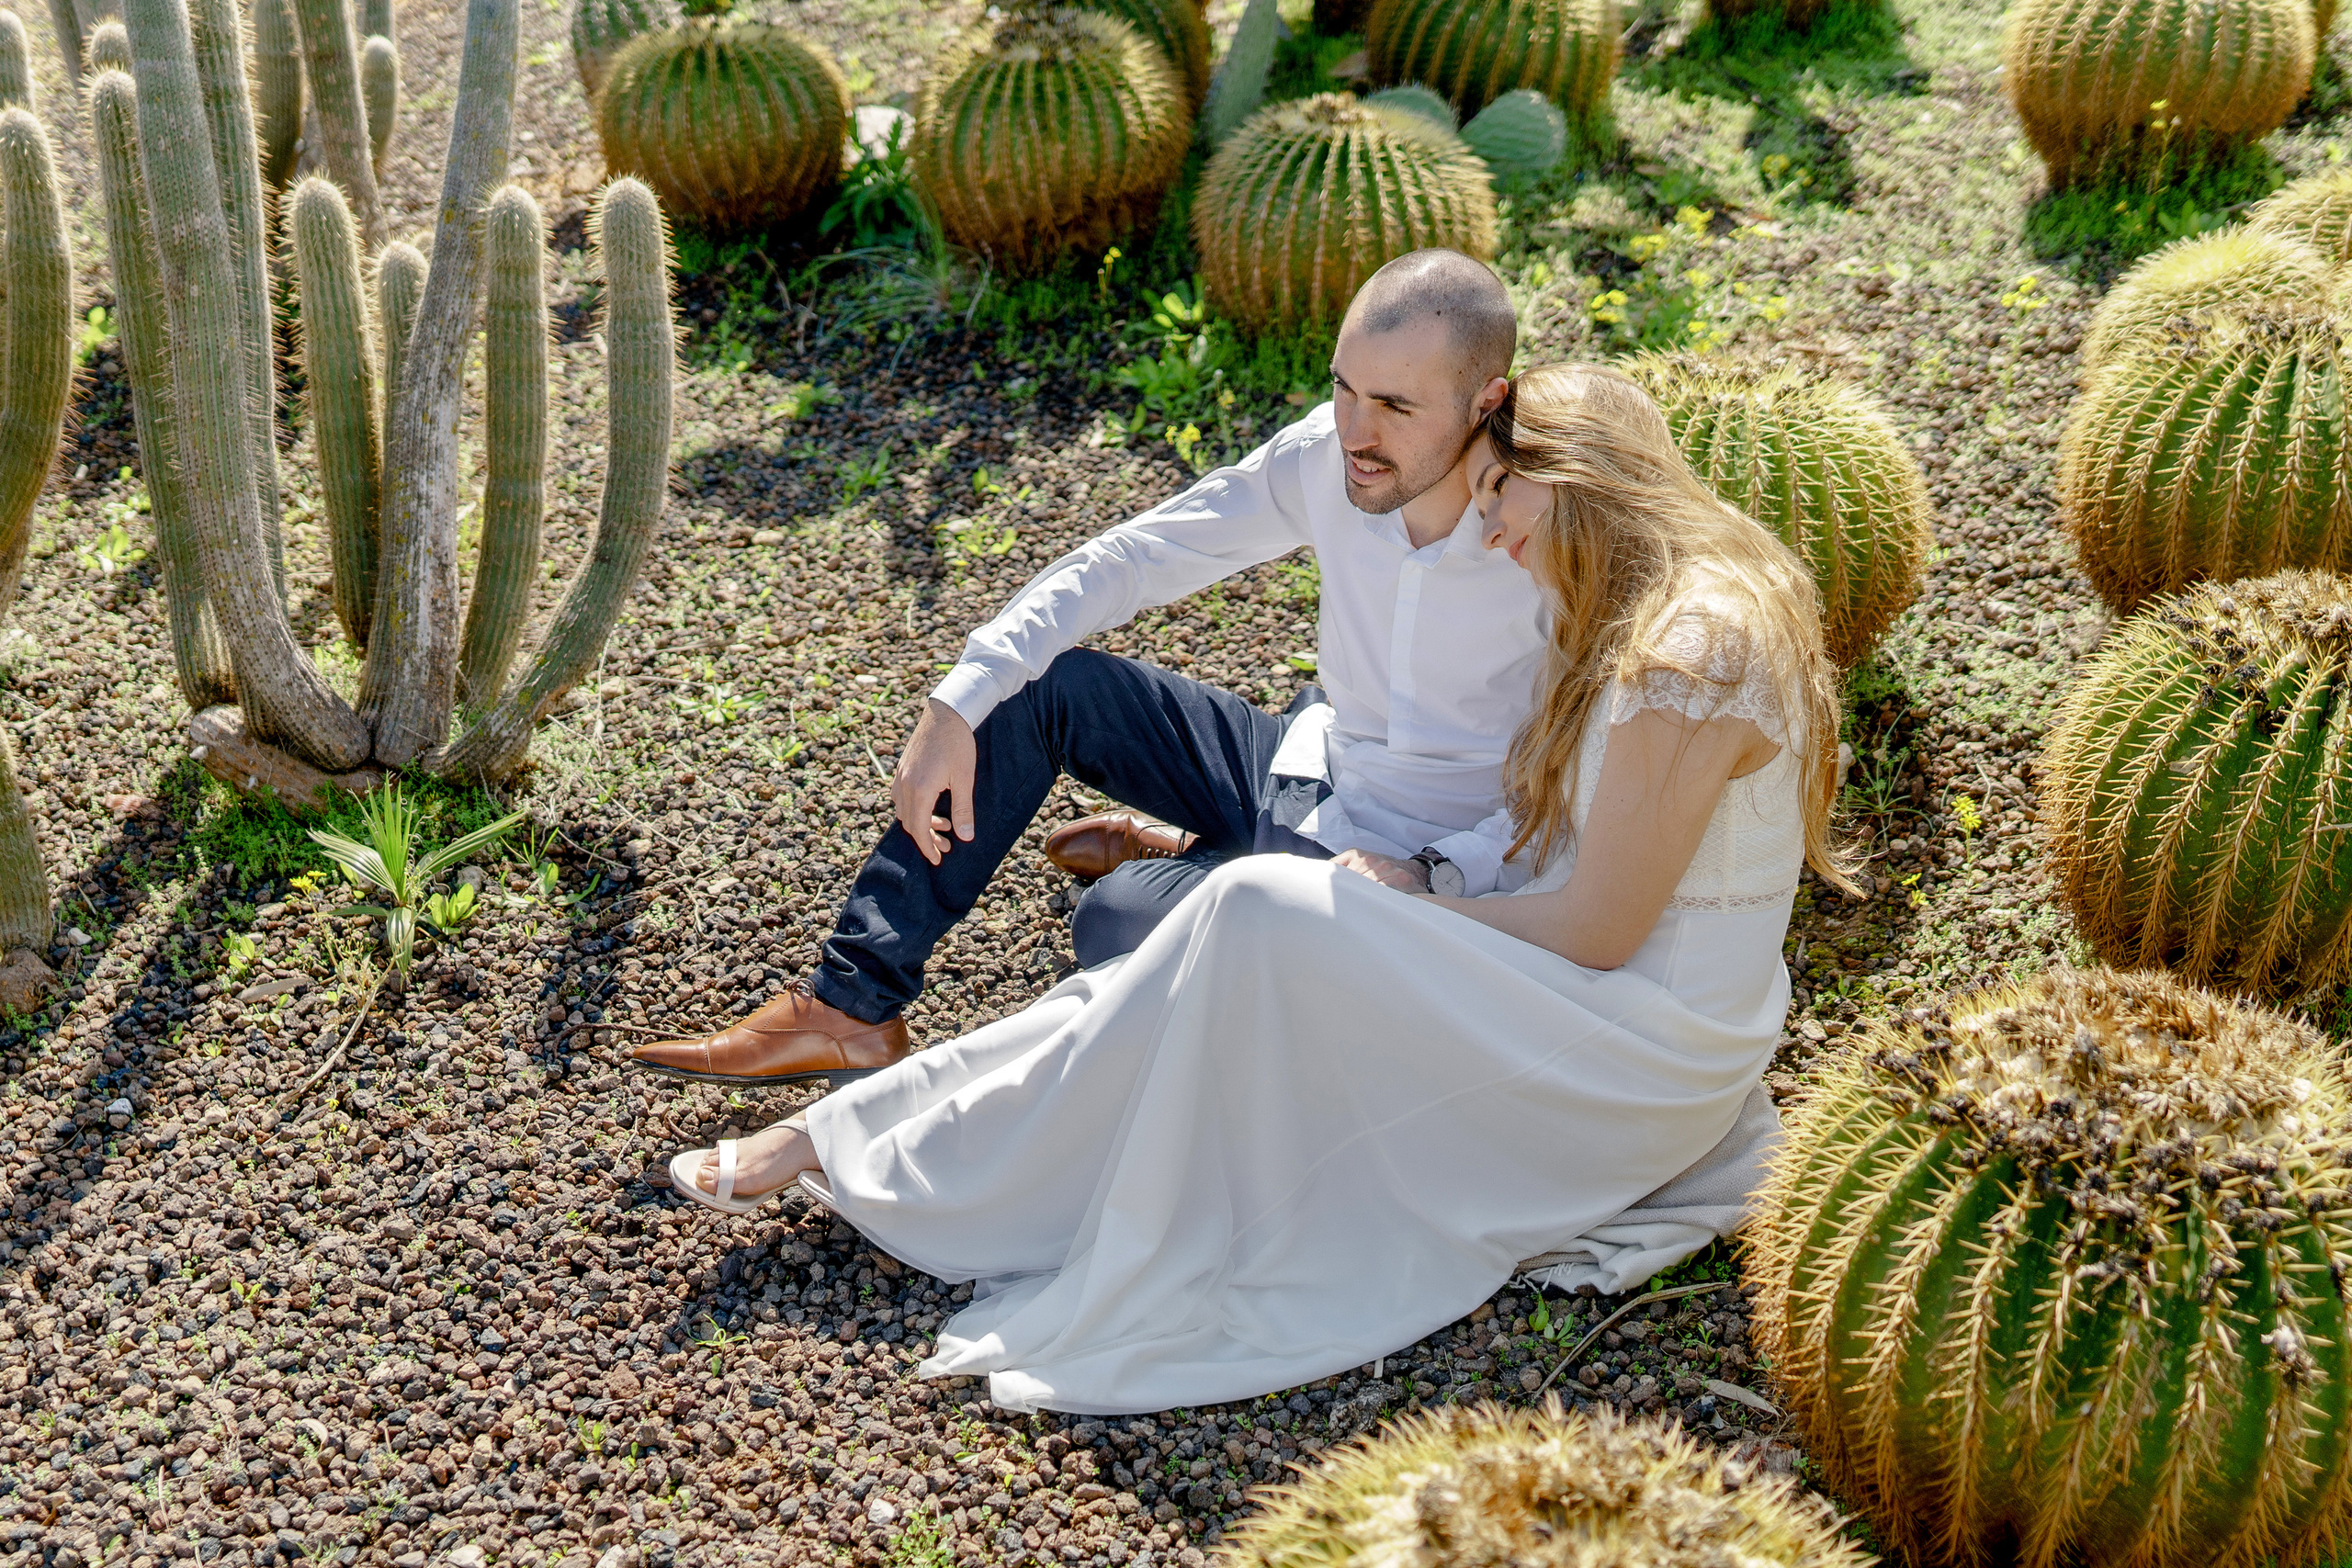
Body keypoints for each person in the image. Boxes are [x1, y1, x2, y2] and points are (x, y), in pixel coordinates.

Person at [660, 363, 1853, 1416]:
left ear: (1578, 479)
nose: (1486, 527)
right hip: (1535, 936)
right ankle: (860, 1105)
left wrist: (1403, 908)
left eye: (1501, 493)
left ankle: (879, 1138)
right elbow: (1146, 555)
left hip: (1631, 1042)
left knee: (1236, 920)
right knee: (1232, 918)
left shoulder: (1686, 653)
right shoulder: (1663, 600)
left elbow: (1593, 921)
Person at [626, 249, 1546, 1089]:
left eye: (1395, 407)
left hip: (1397, 866)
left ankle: (1204, 855)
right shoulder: (1326, 457)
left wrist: (1434, 871)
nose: (1355, 430)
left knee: (1115, 921)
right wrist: (957, 700)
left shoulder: (1548, 537)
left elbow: (1584, 783)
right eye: (1345, 388)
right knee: (1038, 686)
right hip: (1314, 766)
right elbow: (1135, 557)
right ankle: (850, 1005)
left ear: (1486, 401)